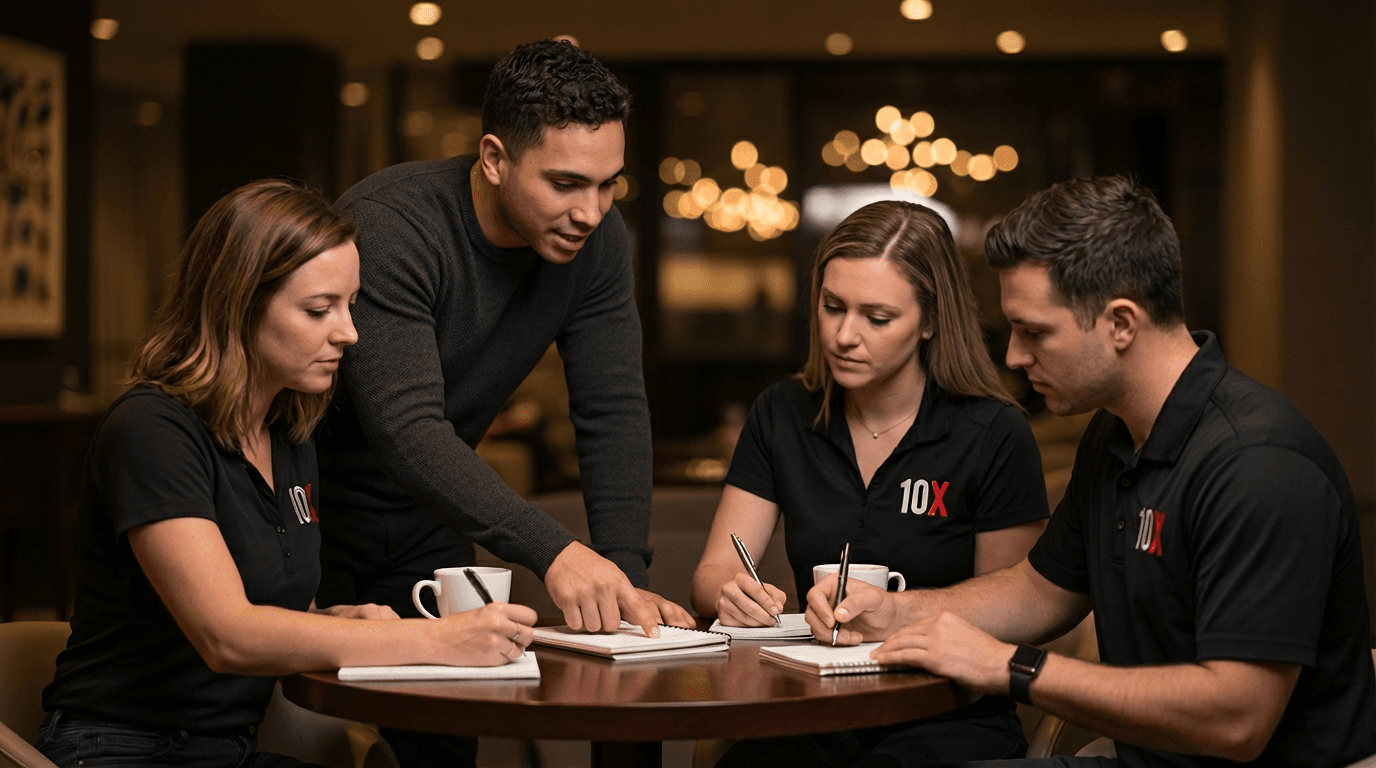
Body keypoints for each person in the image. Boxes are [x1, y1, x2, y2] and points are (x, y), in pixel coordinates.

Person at [808, 176, 1376, 767]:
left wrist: (1011, 666)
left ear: (1121, 323)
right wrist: (897, 611)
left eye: (1035, 332)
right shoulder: (1114, 433)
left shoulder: (1258, 465)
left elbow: (1238, 718)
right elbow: (1039, 590)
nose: (1014, 357)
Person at [35, 180, 537, 768]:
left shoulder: (291, 432)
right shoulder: (151, 432)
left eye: (351, 305)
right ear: (238, 304)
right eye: (319, 310)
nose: (348, 332)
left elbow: (266, 613)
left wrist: (331, 620)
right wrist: (436, 640)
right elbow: (228, 635)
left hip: (229, 751)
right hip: (118, 748)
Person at [313, 38, 691, 764]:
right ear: (493, 159)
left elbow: (611, 408)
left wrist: (621, 577)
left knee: (446, 746)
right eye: (567, 183)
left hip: (428, 518)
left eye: (610, 184)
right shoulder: (395, 227)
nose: (592, 211)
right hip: (313, 512)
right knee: (325, 734)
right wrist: (558, 554)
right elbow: (408, 429)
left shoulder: (598, 240)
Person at [692, 201, 1050, 766]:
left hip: (947, 716)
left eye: (877, 318)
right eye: (832, 307)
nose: (843, 335)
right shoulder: (782, 413)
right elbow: (715, 573)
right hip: (812, 709)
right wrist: (730, 596)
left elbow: (1013, 613)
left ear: (930, 321)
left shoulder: (993, 433)